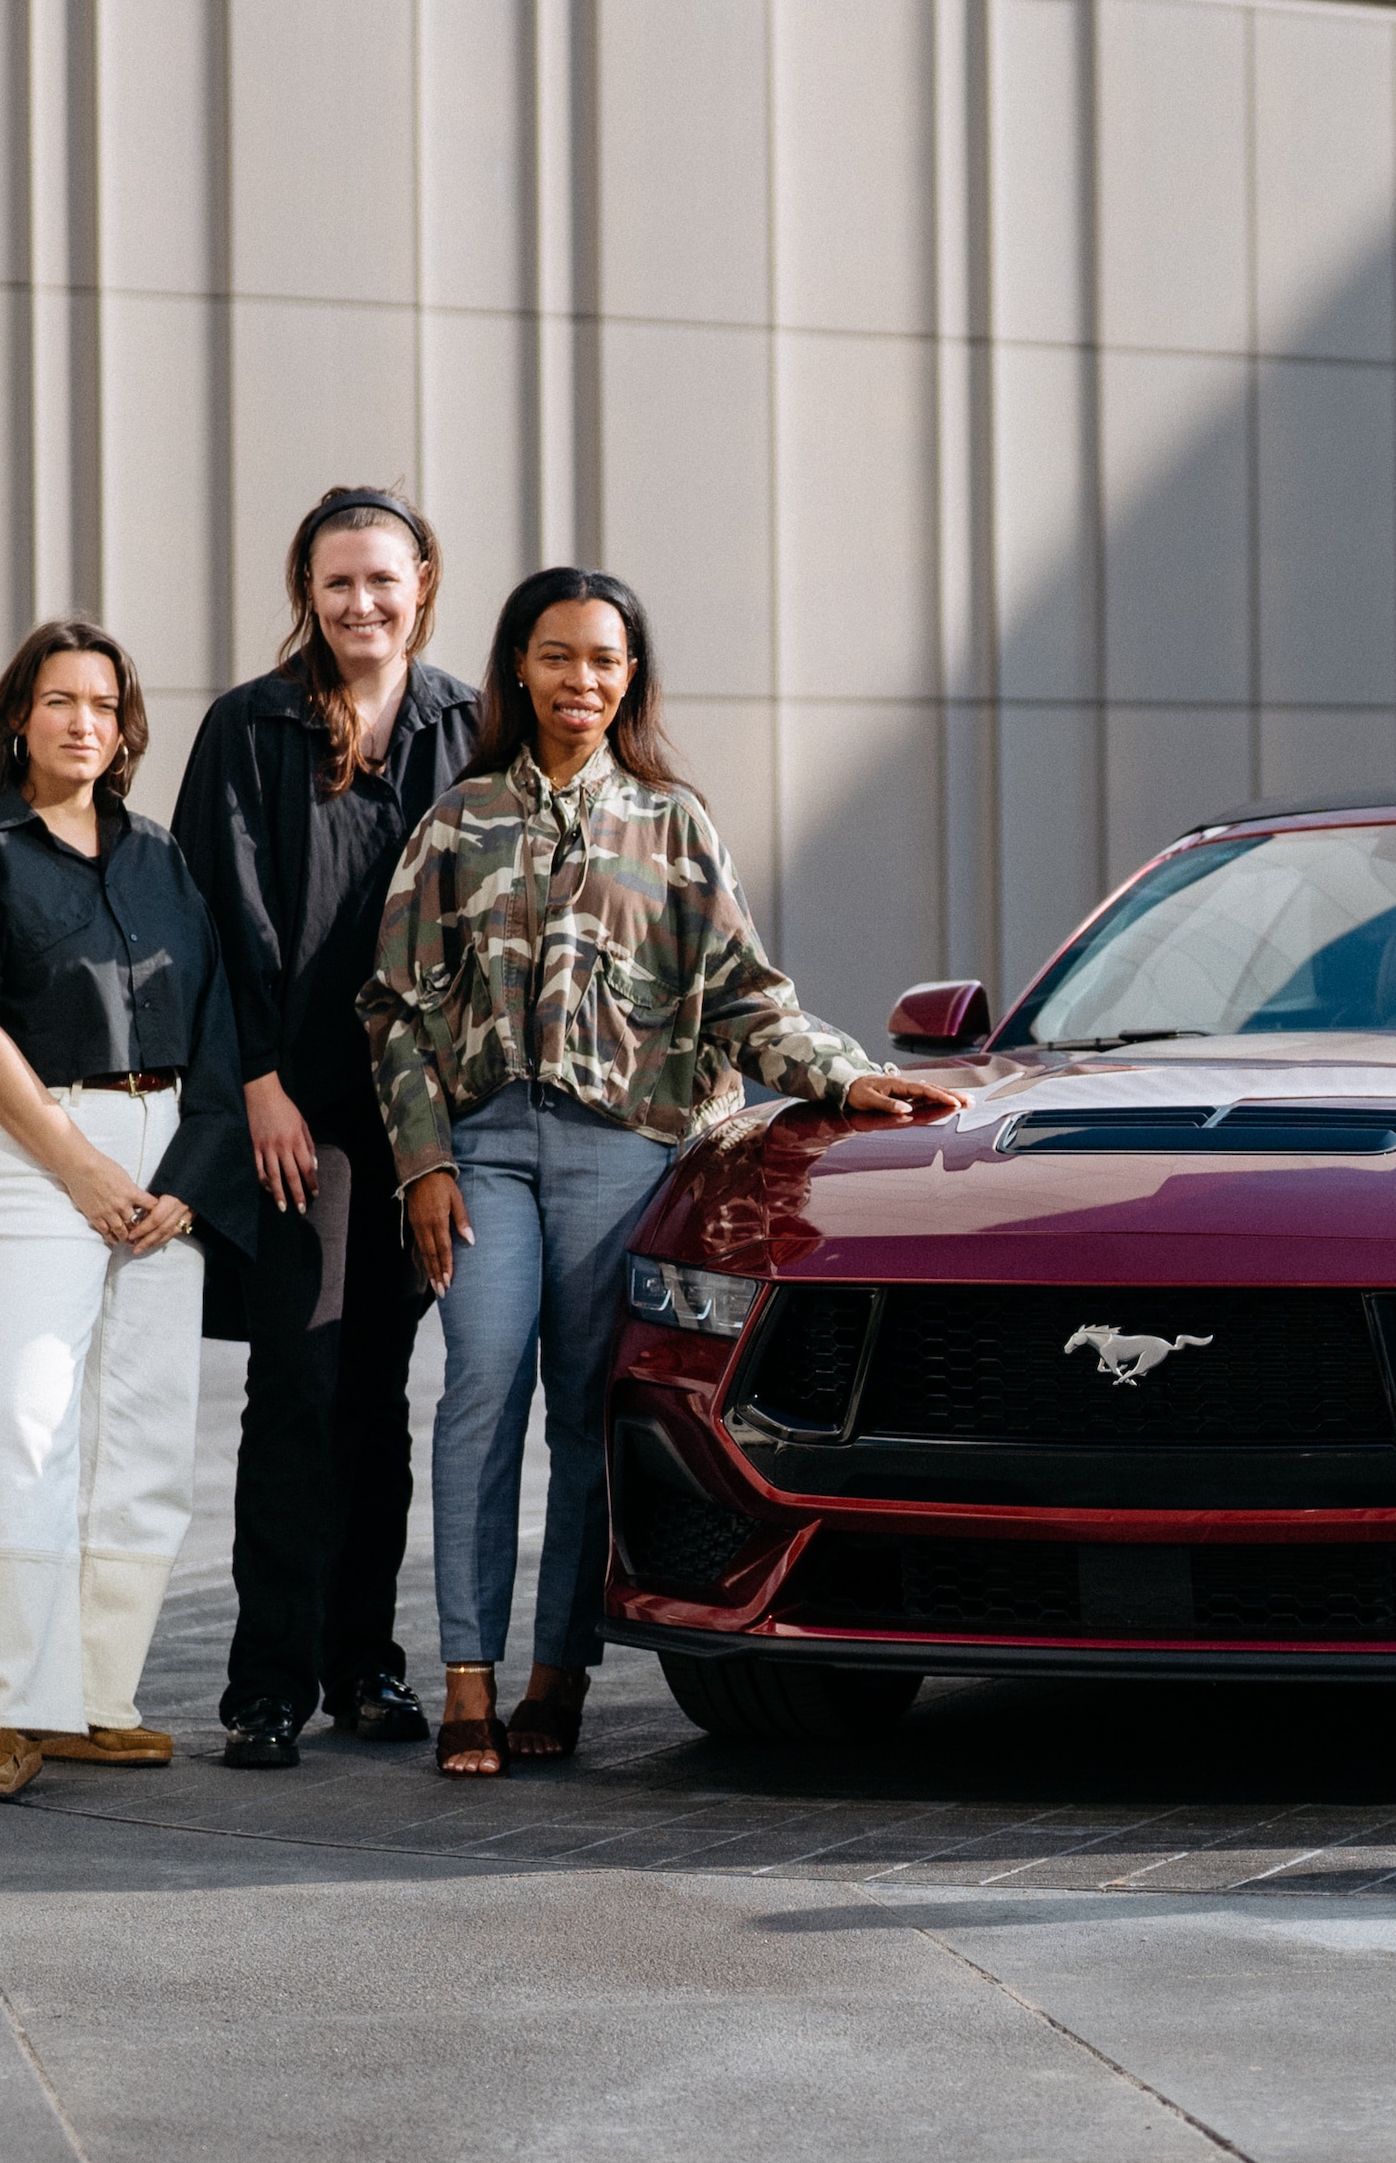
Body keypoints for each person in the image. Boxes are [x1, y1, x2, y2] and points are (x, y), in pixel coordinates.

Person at [364, 568, 964, 1776]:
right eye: (555, 656)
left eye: (603, 659)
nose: (579, 681)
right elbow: (392, 1008)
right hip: (484, 1147)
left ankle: (554, 1677)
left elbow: (745, 999)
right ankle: (467, 1676)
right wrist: (422, 1162)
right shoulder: (457, 821)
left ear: (629, 674)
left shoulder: (672, 823)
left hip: (621, 1156)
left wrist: (845, 1077)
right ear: (516, 670)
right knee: (481, 1386)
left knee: (589, 1411)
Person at [0, 620, 261, 1804]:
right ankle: (4, 1710)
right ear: (19, 715)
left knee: (145, 1437)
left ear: (125, 725)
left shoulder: (160, 859)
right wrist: (81, 1169)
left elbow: (215, 1027)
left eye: (103, 705)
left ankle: (95, 1699)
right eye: (60, 701)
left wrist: (187, 1179)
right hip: (38, 1143)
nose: (83, 722)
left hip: (168, 1153)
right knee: (27, 1418)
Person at [174, 485, 487, 1770]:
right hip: (293, 1109)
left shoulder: (468, 726)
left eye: (382, 578)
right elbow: (216, 917)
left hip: (416, 1111)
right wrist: (254, 1081)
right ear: (305, 591)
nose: (360, 602)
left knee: (377, 1396)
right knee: (294, 1385)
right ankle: (267, 1682)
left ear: (424, 583)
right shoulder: (250, 726)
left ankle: (368, 1666)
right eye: (335, 581)